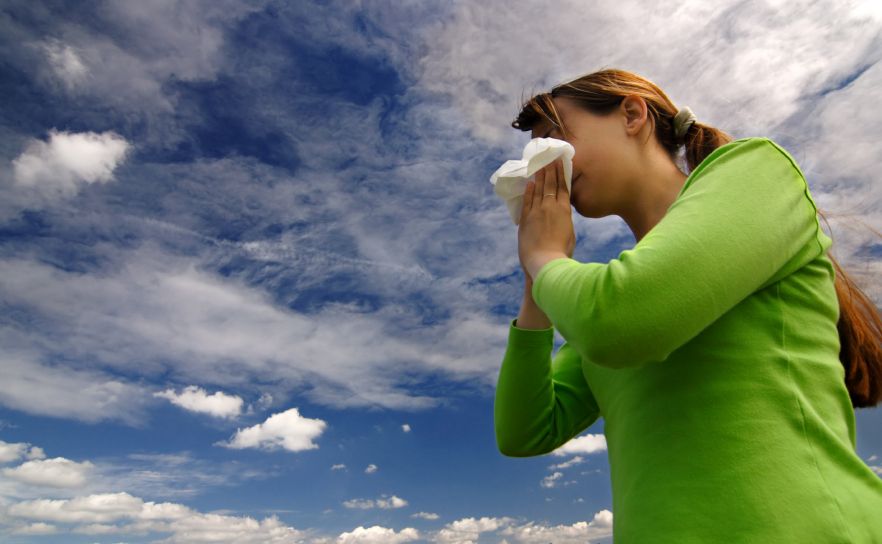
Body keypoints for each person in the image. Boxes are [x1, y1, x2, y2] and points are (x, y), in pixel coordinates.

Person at [493, 68, 882, 543]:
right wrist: (536, 275)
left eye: (556, 140)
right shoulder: (609, 296)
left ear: (632, 114)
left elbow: (620, 321)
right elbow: (524, 430)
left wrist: (546, 257)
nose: (545, 169)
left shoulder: (756, 170)